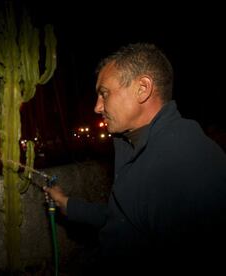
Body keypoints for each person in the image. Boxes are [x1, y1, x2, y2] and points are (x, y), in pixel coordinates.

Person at [44, 43, 226, 271]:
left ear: (143, 88)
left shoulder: (182, 161)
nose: (97, 107)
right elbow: (124, 216)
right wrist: (68, 204)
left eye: (104, 93)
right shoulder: (138, 146)